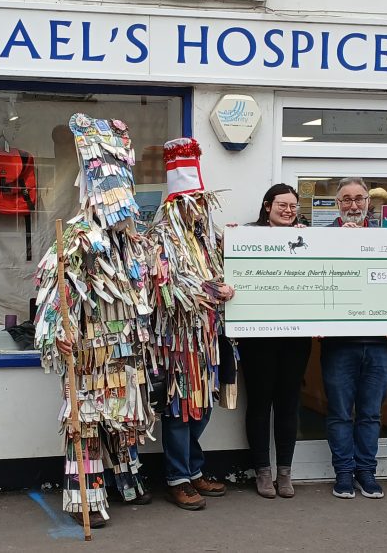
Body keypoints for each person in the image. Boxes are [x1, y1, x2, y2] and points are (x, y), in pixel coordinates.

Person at [34, 114, 154, 529]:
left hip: (123, 350)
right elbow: (54, 297)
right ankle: (86, 495)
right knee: (85, 421)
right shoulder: (79, 238)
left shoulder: (133, 243)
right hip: (86, 352)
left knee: (122, 418)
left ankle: (128, 482)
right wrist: (58, 334)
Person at [148, 138, 236, 510]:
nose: (197, 210)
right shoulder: (159, 240)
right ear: (174, 207)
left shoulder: (206, 241)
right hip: (177, 342)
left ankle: (193, 468)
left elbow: (226, 268)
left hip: (209, 341)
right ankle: (177, 477)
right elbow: (166, 286)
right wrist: (215, 290)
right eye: (190, 204)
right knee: (180, 408)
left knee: (203, 406)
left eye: (201, 203)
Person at [235, 184, 312, 498]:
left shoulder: (309, 239)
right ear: (267, 206)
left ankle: (285, 473)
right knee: (259, 404)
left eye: (293, 205)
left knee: (288, 404)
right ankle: (262, 473)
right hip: (258, 338)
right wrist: (231, 237)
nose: (288, 210)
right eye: (283, 204)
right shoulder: (248, 235)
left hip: (296, 337)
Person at [320, 177, 387, 500]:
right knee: (339, 413)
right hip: (338, 344)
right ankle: (344, 473)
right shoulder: (321, 239)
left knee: (370, 414)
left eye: (359, 198)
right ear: (337, 204)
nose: (353, 204)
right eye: (346, 199)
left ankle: (367, 472)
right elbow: (311, 283)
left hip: (378, 343)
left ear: (368, 202)